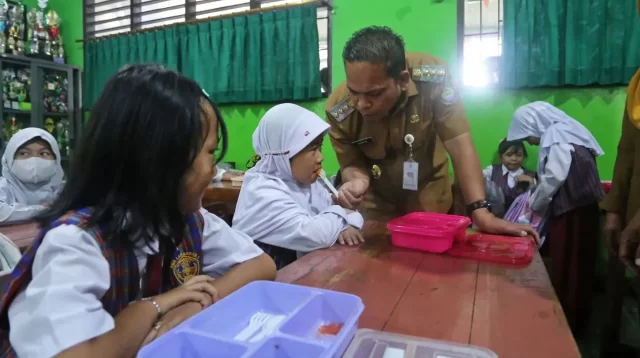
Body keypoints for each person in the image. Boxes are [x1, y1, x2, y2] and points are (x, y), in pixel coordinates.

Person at [0, 64, 277, 358]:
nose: (214, 169)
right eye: (210, 152)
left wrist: (194, 303)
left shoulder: (184, 220)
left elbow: (262, 265)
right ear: (161, 159)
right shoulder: (75, 243)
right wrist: (155, 306)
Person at [326, 26, 538, 240]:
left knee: (429, 262)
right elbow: (351, 163)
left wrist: (480, 211)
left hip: (428, 193)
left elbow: (458, 141)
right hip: (377, 203)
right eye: (354, 92)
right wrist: (356, 181)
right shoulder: (339, 109)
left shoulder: (433, 78)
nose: (361, 104)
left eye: (374, 93)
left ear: (403, 80)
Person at [507, 101, 604, 336]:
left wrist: (535, 204)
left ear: (535, 125)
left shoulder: (556, 134)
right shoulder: (570, 130)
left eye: (528, 136)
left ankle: (566, 320)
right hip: (583, 208)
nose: (530, 141)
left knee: (569, 263)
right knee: (580, 263)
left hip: (572, 211)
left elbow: (555, 177)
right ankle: (577, 316)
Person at [233, 104, 364, 269]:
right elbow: (315, 234)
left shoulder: (307, 184)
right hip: (260, 285)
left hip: (298, 276)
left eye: (320, 147)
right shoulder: (261, 191)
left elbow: (355, 217)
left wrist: (341, 220)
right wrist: (342, 215)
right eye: (313, 149)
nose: (321, 158)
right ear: (284, 152)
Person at [0, 128, 63, 224]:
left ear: (56, 160)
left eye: (44, 153)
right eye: (24, 153)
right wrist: (44, 209)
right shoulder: (3, 187)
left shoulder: (64, 189)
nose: (34, 160)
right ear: (10, 159)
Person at [482, 139, 536, 214]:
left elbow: (535, 201)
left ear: (524, 156)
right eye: (509, 155)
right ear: (501, 156)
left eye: (519, 155)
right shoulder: (492, 170)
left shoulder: (530, 175)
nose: (514, 159)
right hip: (494, 219)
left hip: (518, 220)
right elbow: (476, 178)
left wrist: (531, 183)